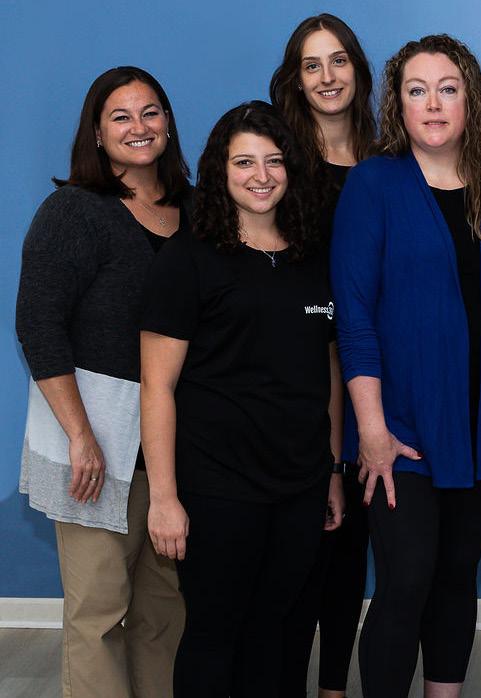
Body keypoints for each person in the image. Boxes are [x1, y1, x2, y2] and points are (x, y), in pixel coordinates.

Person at [331, 34, 481, 698]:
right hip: (401, 428)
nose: (434, 103)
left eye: (448, 88)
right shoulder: (374, 183)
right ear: (398, 104)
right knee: (406, 578)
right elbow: (354, 315)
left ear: (472, 100)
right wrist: (371, 430)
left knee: (456, 574)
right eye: (417, 90)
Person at [140, 101, 345, 697]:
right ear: (220, 171)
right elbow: (157, 386)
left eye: (274, 161)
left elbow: (327, 371)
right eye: (244, 162)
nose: (261, 175)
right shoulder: (188, 259)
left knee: (276, 632)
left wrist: (332, 471)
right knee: (215, 634)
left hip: (301, 484)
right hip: (218, 486)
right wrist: (164, 498)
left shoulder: (311, 257)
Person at [16, 65, 188, 698]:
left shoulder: (197, 211)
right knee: (98, 612)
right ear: (96, 132)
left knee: (163, 612)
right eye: (121, 116)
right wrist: (80, 437)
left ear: (168, 123)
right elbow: (37, 324)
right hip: (97, 447)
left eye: (150, 112)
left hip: (172, 450)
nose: (138, 127)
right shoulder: (73, 211)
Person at [269, 13, 375, 697]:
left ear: (357, 71)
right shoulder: (276, 164)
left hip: (368, 374)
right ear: (296, 79)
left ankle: (333, 687)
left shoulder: (389, 159)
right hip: (296, 381)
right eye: (312, 64)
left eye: (338, 61)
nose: (328, 76)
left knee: (349, 550)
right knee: (297, 558)